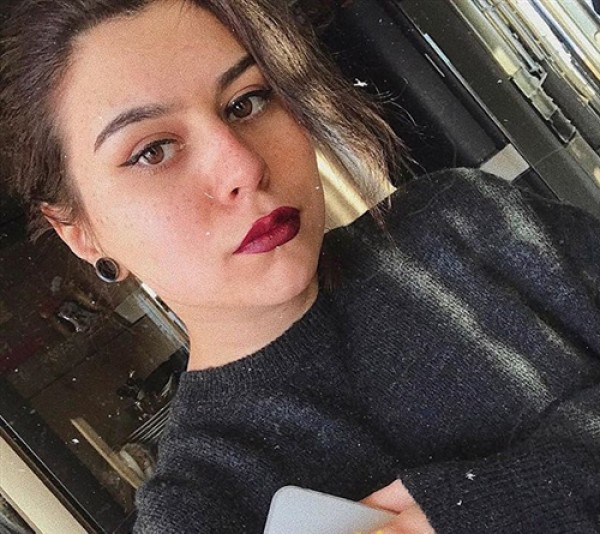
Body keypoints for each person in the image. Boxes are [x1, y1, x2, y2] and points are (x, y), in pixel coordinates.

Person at [1, 1, 599, 533]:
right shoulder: (201, 511)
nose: (242, 166)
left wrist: (492, 508)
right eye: (152, 151)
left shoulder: (468, 224)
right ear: (79, 232)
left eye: (246, 102)